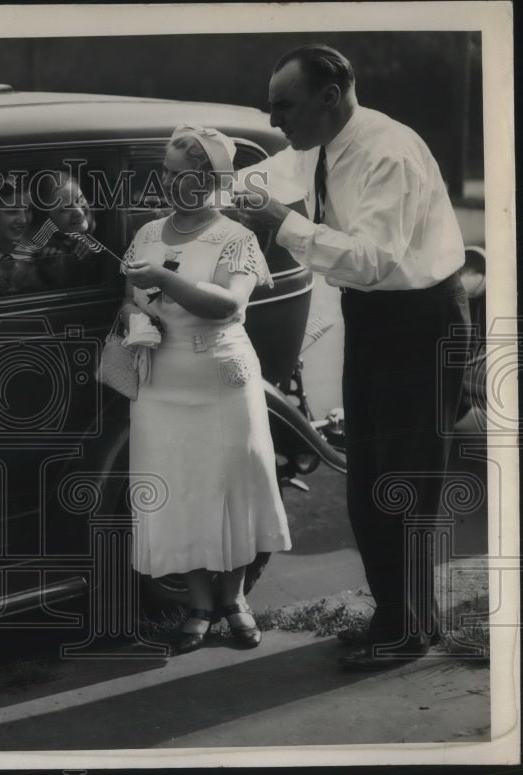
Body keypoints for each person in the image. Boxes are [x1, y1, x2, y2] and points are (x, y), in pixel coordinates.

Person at [224, 44, 470, 670]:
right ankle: (400, 618)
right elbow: (264, 176)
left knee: (404, 485)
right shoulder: (318, 144)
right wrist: (203, 194)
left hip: (419, 322)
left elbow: (371, 259)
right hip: (377, 320)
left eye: (286, 106)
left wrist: (281, 222)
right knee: (368, 485)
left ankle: (407, 634)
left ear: (331, 96)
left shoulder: (386, 152)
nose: (276, 119)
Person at [122, 125, 291, 655]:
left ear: (207, 178)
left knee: (229, 486)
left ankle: (234, 599)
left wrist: (164, 281)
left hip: (220, 379)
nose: (166, 180)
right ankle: (198, 603)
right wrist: (134, 317)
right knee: (179, 490)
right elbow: (126, 298)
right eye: (165, 171)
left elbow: (230, 306)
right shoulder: (148, 232)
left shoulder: (233, 237)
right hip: (160, 382)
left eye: (178, 172)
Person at [28, 172, 101, 287]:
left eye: (80, 199)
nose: (79, 212)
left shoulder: (106, 225)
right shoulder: (45, 251)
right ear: (47, 220)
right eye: (65, 209)